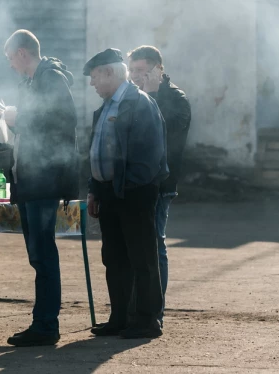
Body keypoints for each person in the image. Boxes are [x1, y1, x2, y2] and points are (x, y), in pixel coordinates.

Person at [0, 29, 78, 347]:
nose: (10, 64)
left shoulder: (50, 76)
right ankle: (42, 322)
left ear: (23, 53)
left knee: (43, 253)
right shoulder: (30, 81)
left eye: (10, 58)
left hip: (45, 178)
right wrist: (7, 118)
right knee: (37, 254)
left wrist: (19, 117)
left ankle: (45, 325)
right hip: (30, 178)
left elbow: (64, 119)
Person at [84, 48, 168, 339]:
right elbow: (97, 152)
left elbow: (150, 155)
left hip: (133, 194)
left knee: (142, 258)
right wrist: (96, 190)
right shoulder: (106, 106)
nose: (93, 84)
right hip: (110, 194)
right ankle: (120, 318)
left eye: (95, 77)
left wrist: (128, 188)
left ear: (109, 73)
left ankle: (147, 321)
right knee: (115, 258)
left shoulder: (140, 103)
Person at [128, 45, 192, 326]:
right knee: (133, 248)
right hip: (132, 183)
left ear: (158, 70)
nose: (135, 77)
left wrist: (153, 96)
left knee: (155, 245)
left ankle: (155, 311)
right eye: (131, 71)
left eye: (141, 71)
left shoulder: (176, 99)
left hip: (160, 183)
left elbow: (167, 131)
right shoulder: (131, 96)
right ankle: (133, 309)